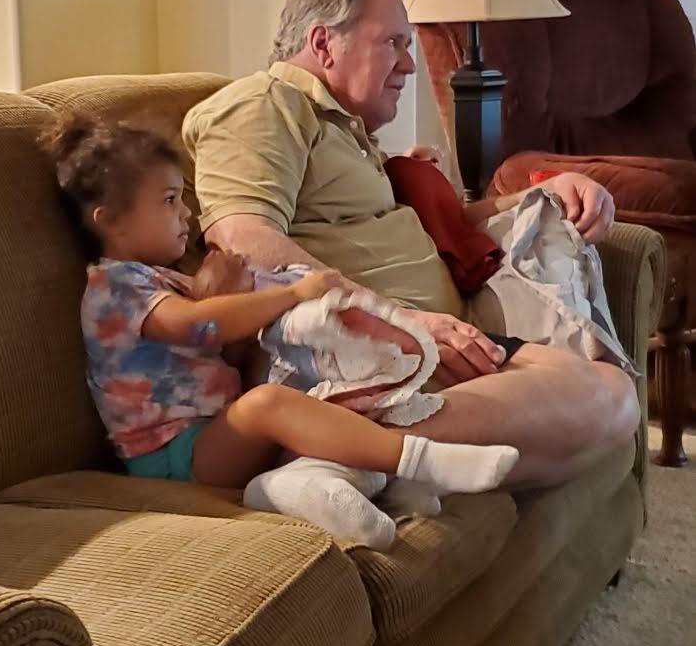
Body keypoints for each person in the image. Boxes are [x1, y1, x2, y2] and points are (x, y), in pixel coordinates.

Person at [183, 0, 640, 489]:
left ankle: (357, 465)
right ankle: (329, 444)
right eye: (393, 44)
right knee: (595, 396)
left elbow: (444, 225)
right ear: (323, 43)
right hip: (376, 351)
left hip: (428, 342)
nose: (408, 65)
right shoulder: (262, 104)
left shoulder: (345, 131)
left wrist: (549, 193)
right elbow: (242, 238)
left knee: (615, 393)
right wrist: (403, 320)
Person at [42, 114, 518, 548]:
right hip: (173, 457)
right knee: (267, 405)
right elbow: (194, 325)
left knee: (315, 399)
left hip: (214, 438)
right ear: (111, 221)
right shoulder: (115, 285)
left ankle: (335, 487)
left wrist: (227, 299)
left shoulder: (166, 280)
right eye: (169, 201)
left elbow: (217, 353)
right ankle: (422, 460)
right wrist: (293, 294)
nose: (186, 213)